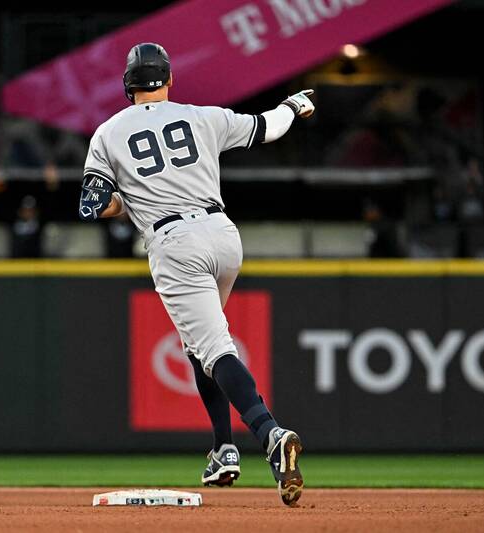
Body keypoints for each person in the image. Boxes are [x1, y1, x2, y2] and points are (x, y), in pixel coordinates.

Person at [78, 43, 313, 506]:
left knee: (213, 348)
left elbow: (93, 205)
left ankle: (270, 434)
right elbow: (268, 128)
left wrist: (129, 198)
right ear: (169, 80)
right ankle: (223, 449)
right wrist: (294, 105)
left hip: (174, 243)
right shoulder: (203, 116)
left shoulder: (107, 134)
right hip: (224, 235)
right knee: (198, 346)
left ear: (128, 86)